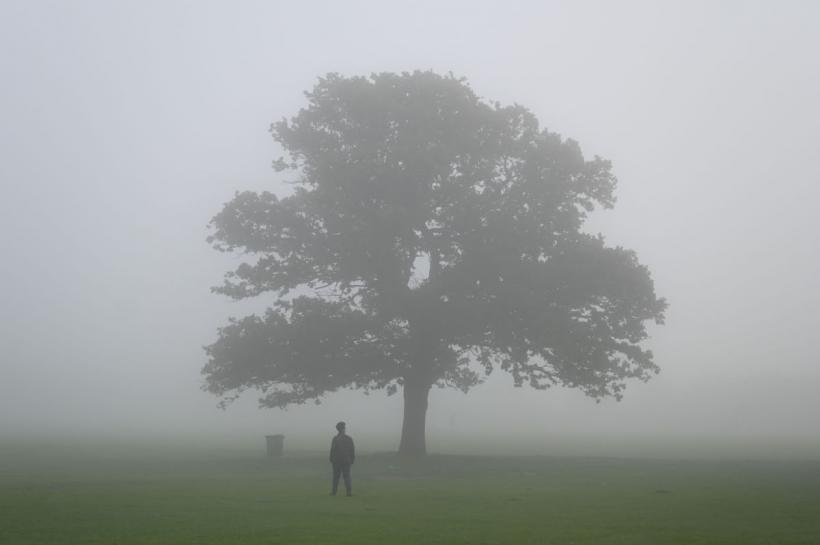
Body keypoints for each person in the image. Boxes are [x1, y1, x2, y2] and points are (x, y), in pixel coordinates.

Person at [329, 421, 355, 496]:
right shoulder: (349, 439)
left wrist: (331, 459)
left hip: (336, 461)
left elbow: (332, 450)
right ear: (343, 429)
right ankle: (349, 492)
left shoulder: (335, 439)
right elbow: (352, 450)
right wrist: (352, 459)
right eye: (344, 428)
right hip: (346, 461)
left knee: (336, 477)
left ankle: (334, 492)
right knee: (347, 477)